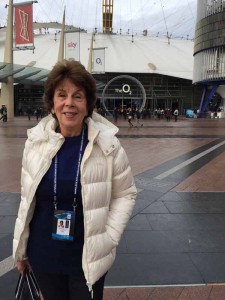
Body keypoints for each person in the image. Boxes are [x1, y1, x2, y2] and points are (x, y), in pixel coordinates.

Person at [13, 59, 137, 300]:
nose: (69, 103)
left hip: (88, 259)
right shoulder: (35, 144)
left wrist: (110, 236)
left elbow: (126, 193)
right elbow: (26, 199)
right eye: (62, 95)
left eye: (77, 96)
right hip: (44, 256)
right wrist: (22, 249)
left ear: (88, 104)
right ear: (52, 103)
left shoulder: (107, 146)